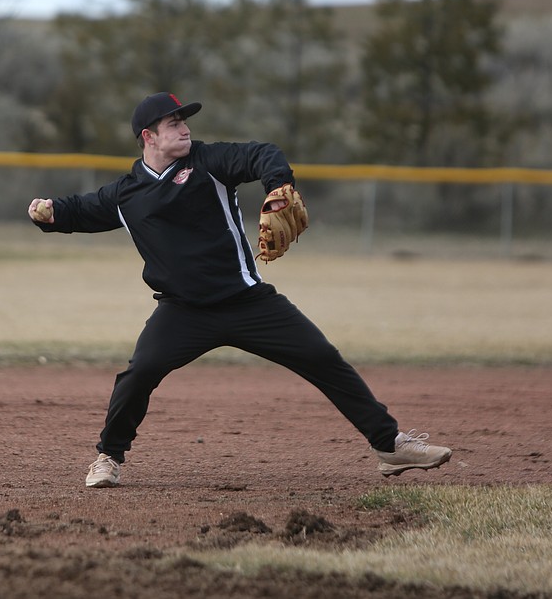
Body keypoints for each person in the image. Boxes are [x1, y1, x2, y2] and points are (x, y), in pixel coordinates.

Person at [28, 92, 452, 488]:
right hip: (182, 312)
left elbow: (260, 154)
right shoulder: (127, 194)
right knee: (138, 375)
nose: (184, 129)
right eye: (173, 123)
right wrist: (47, 214)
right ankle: (109, 458)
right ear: (148, 136)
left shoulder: (209, 161)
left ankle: (390, 446)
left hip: (247, 302)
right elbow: (82, 209)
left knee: (323, 358)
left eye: (185, 121)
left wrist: (278, 185)